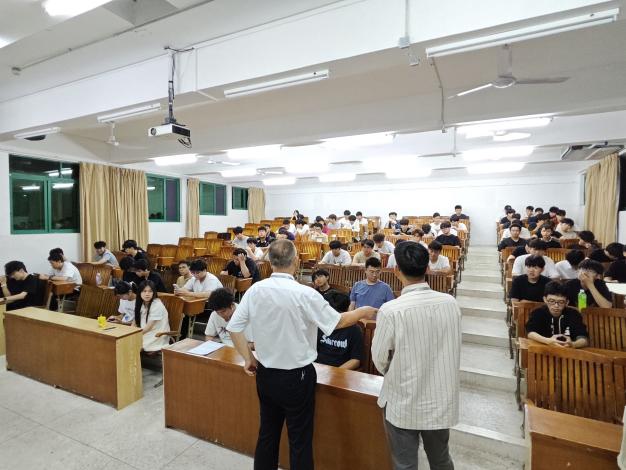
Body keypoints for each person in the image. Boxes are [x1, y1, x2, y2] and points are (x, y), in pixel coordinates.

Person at [226, 239, 377, 470]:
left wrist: (249, 358)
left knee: (267, 434)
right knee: (300, 439)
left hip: (266, 374)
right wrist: (362, 312)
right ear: (296, 261)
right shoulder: (305, 293)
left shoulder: (255, 289)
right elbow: (337, 322)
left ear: (270, 262)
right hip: (298, 377)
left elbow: (234, 327)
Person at [372, 240, 461, 470]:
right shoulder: (450, 303)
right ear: (427, 268)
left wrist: (395, 369)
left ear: (396, 270)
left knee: (405, 465)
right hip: (440, 397)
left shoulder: (391, 310)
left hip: (403, 399)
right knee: (441, 460)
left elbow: (379, 359)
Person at [526, 281, 589, 349]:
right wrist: (548, 341)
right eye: (551, 301)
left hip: (568, 351)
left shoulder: (574, 314)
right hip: (543, 350)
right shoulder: (538, 313)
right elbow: (531, 333)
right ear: (545, 299)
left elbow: (584, 339)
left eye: (561, 302)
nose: (556, 305)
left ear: (567, 302)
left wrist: (573, 344)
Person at [316, 290, 364, 370]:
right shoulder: (321, 325)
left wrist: (336, 372)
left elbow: (356, 360)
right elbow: (312, 351)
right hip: (319, 368)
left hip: (342, 371)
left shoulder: (354, 330)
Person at [133, 280, 170, 352]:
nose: (147, 294)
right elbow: (134, 322)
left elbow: (148, 328)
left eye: (150, 291)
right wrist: (129, 333)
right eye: (144, 291)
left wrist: (134, 336)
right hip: (144, 332)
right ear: (140, 292)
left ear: (154, 292)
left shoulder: (157, 304)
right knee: (124, 341)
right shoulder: (141, 303)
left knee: (131, 344)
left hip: (156, 335)